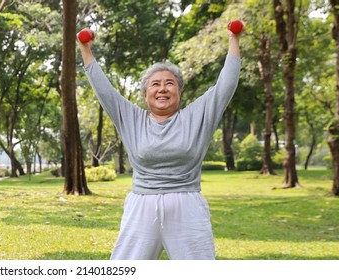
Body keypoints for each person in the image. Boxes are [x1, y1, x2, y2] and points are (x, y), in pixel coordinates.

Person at [77, 29, 241, 260]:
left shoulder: (196, 117)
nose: (162, 88)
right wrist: (85, 48)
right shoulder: (131, 118)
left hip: (187, 207)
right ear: (145, 94)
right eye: (155, 84)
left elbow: (226, 85)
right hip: (141, 207)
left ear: (179, 92)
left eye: (169, 84)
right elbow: (104, 90)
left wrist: (234, 39)